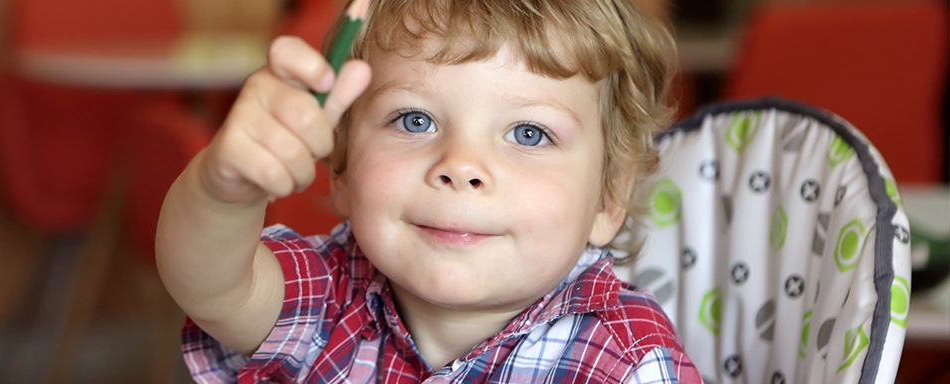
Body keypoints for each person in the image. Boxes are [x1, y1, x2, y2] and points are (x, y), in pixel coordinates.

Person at [154, 0, 700, 382]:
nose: (460, 167)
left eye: (528, 134)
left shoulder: (626, 360)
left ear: (608, 198)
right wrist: (223, 190)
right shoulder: (330, 299)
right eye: (415, 120)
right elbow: (208, 282)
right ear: (340, 166)